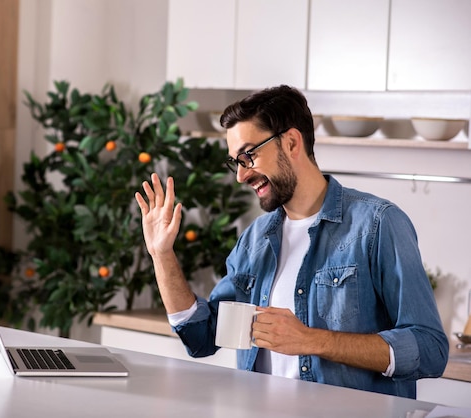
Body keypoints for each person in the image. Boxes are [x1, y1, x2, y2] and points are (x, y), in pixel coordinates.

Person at [134, 85, 448, 399]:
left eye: (249, 156)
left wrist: (311, 340)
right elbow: (201, 337)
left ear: (292, 142)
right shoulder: (255, 239)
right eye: (235, 162)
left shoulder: (377, 224)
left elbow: (430, 348)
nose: (241, 176)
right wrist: (161, 255)